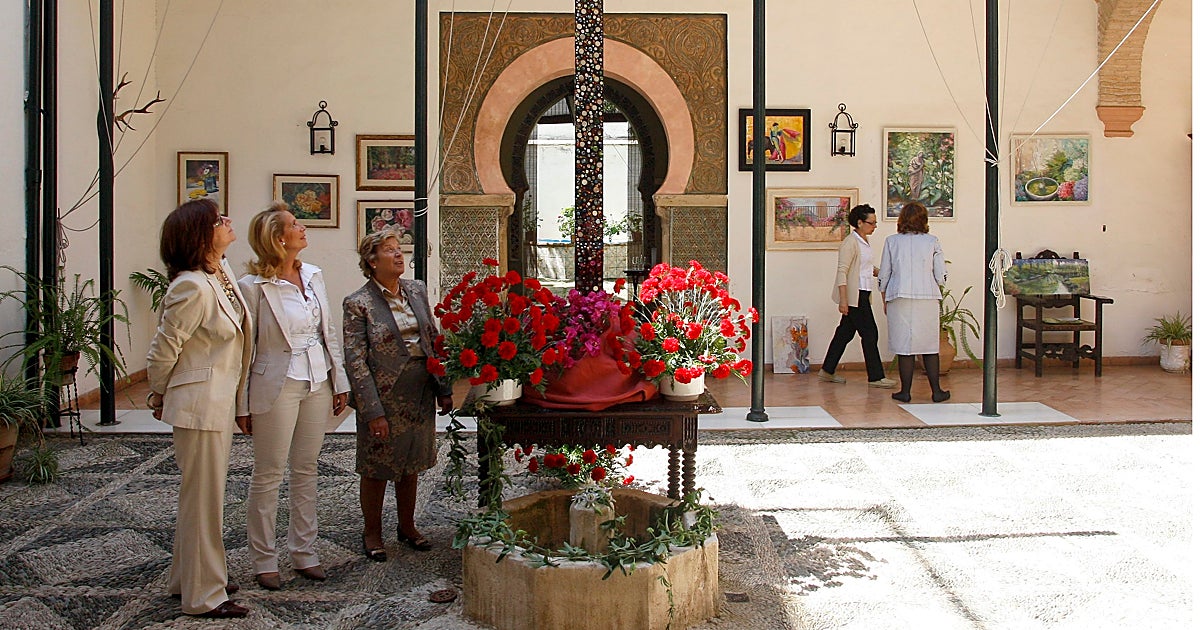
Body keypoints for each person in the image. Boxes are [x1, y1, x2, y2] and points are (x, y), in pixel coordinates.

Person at [145, 199, 253, 619]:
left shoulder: (219, 273)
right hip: (200, 404)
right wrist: (159, 393)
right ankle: (205, 595)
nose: (227, 222)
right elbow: (163, 349)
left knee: (204, 496)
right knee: (204, 499)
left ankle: (187, 577)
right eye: (217, 220)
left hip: (218, 402)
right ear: (199, 235)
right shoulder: (190, 285)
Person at [235, 203, 351, 591]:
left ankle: (304, 551)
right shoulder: (253, 286)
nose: (303, 229)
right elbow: (245, 347)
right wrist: (242, 402)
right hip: (276, 383)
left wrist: (340, 380)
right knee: (268, 473)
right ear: (278, 237)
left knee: (307, 467)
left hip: (316, 379)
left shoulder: (314, 275)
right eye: (295, 225)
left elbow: (327, 332)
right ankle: (263, 558)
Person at [342, 228, 453, 561]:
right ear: (372, 261)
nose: (397, 254)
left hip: (419, 389)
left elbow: (432, 338)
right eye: (389, 250)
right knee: (377, 466)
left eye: (398, 248)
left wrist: (443, 388)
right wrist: (372, 410)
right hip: (384, 393)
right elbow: (355, 359)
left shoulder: (416, 290)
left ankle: (408, 526)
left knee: (411, 462)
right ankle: (372, 533)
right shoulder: (357, 303)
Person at [878, 201, 950, 403]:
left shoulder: (892, 241)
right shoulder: (932, 241)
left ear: (901, 219)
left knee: (904, 346)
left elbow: (884, 273)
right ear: (924, 219)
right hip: (927, 296)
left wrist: (884, 296)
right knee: (929, 345)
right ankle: (936, 391)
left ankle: (905, 391)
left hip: (899, 296)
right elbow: (940, 274)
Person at [817, 204, 896, 389]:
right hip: (855, 296)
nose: (874, 226)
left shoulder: (864, 241)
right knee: (870, 334)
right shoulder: (850, 242)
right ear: (859, 222)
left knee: (844, 333)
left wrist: (882, 272)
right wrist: (844, 300)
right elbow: (842, 272)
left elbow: (865, 268)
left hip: (863, 292)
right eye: (871, 223)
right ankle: (876, 376)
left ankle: (827, 370)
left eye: (875, 223)